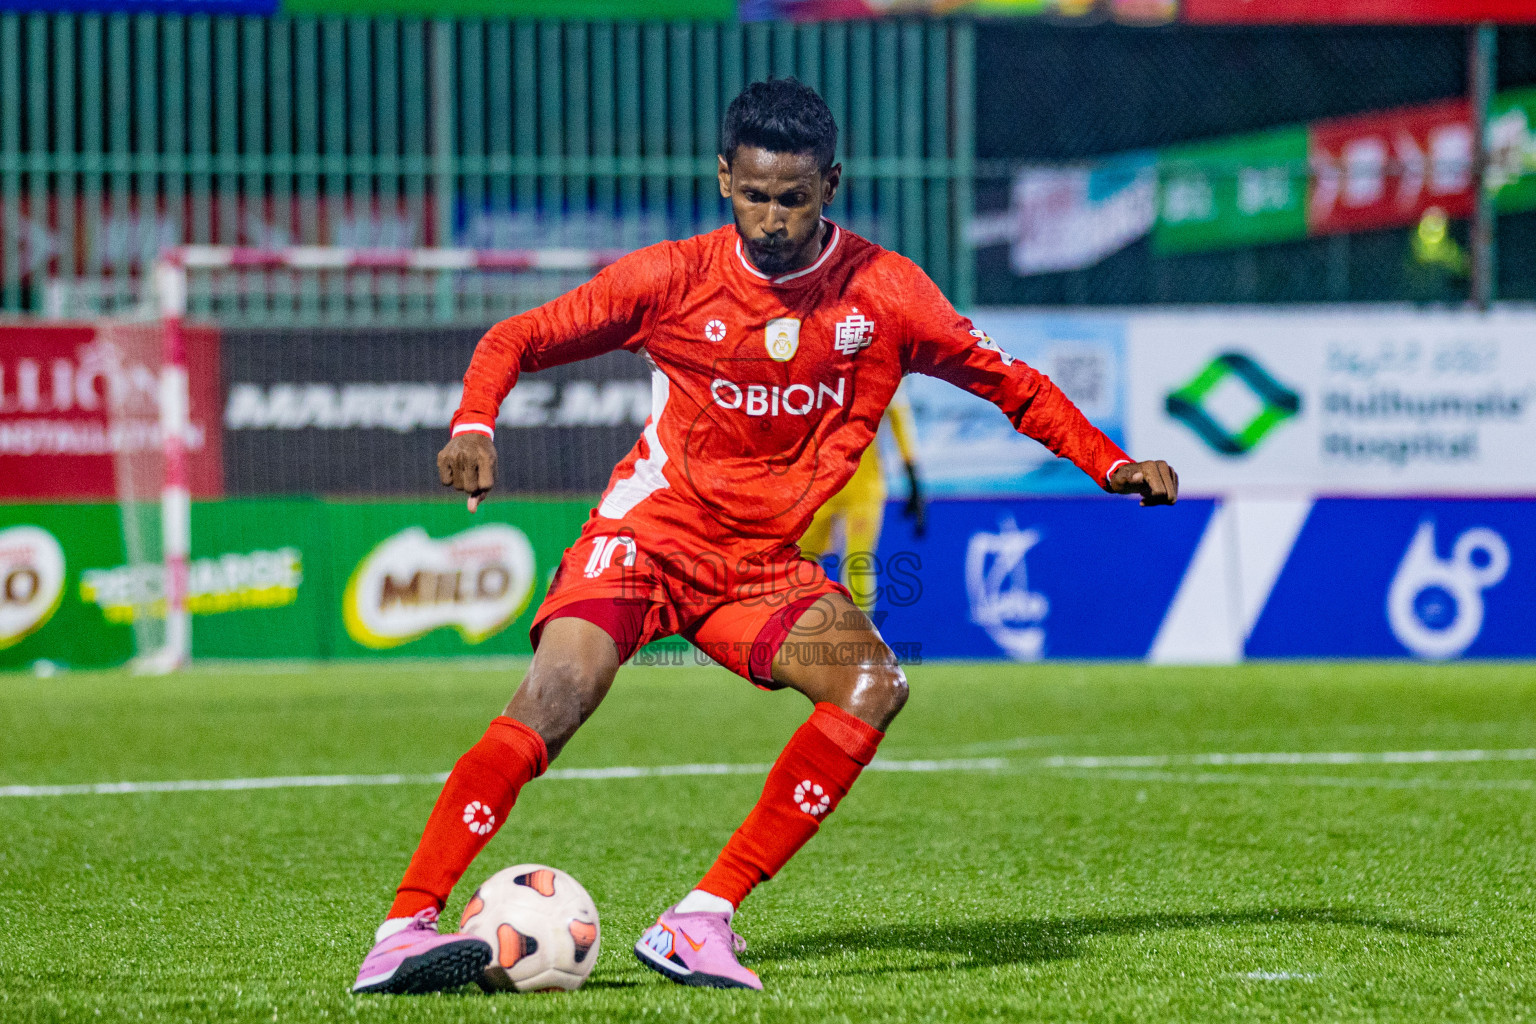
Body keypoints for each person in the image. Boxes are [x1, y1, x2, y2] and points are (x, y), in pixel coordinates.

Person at [352, 78, 1178, 996]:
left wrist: (1110, 464)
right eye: (754, 194)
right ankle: (403, 928)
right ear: (722, 179)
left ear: (832, 183)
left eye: (793, 197)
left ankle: (700, 919)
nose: (772, 218)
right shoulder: (670, 279)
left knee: (873, 685)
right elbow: (516, 337)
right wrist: (474, 425)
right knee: (558, 691)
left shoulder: (887, 292)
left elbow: (1011, 383)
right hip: (648, 537)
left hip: (758, 573)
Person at [797, 389, 925, 613]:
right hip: (821, 485)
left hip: (862, 489)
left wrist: (914, 485)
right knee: (801, 560)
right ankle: (798, 629)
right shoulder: (822, 366)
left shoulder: (885, 372)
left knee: (858, 563)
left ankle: (858, 638)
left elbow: (900, 424)